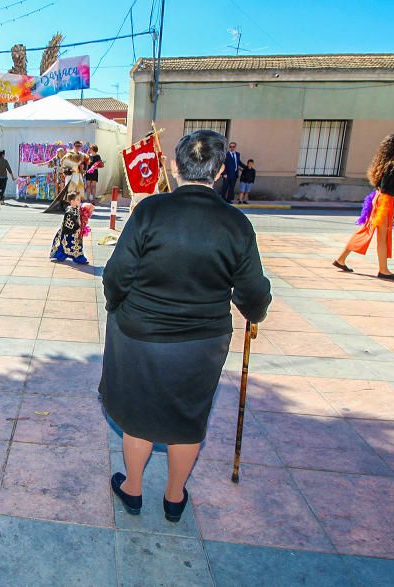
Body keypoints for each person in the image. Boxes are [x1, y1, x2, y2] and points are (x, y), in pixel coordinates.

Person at [100, 129, 271, 524]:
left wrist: (116, 306)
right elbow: (252, 292)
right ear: (220, 172)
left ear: (175, 167)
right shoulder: (236, 224)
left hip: (141, 334)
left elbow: (117, 274)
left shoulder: (149, 211)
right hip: (202, 341)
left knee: (140, 414)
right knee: (187, 416)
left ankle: (134, 488)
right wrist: (256, 311)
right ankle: (175, 497)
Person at [334, 134, 394, 280]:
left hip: (379, 201)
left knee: (366, 230)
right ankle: (383, 270)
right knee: (381, 237)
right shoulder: (391, 165)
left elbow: (381, 186)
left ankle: (341, 259)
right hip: (384, 203)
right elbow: (386, 188)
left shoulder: (384, 162)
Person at [44, 142, 89, 213]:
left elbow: (85, 165)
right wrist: (70, 170)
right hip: (71, 176)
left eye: (79, 146)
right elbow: (63, 167)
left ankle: (77, 207)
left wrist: (83, 168)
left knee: (79, 192)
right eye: (77, 146)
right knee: (70, 192)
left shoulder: (82, 156)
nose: (78, 147)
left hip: (79, 176)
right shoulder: (68, 155)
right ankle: (69, 207)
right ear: (74, 146)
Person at [49, 192, 89, 264]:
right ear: (72, 201)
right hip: (69, 232)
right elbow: (69, 223)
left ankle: (77, 257)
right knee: (67, 245)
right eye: (78, 199)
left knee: (73, 246)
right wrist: (77, 228)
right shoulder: (69, 211)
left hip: (75, 232)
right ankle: (75, 257)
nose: (80, 201)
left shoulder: (77, 209)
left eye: (79, 199)